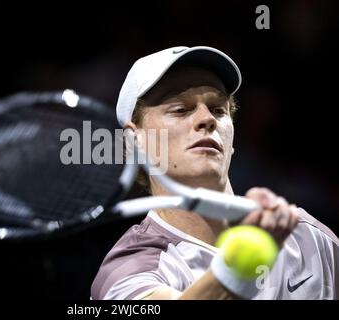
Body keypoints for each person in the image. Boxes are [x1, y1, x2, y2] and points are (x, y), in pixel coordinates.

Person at [90, 46, 339, 300]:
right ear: (136, 141)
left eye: (218, 109)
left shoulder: (307, 236)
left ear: (232, 141)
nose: (207, 119)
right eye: (181, 109)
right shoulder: (127, 271)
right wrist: (241, 262)